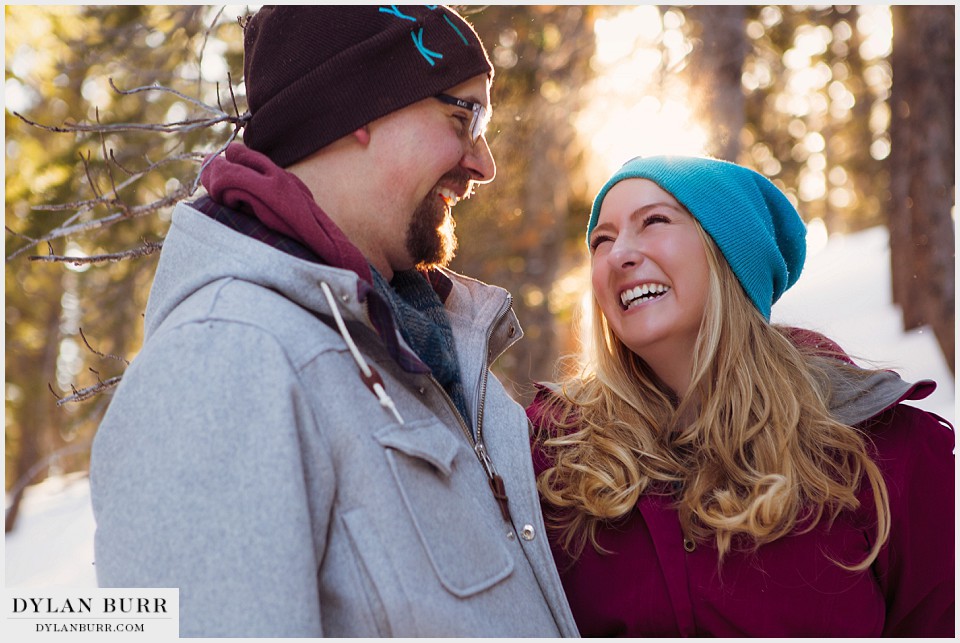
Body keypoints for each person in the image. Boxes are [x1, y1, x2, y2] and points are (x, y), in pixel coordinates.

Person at [90, 6, 578, 638]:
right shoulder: (225, 359)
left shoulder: (403, 343)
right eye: (464, 116)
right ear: (361, 109)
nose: (483, 162)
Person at [528, 155, 954, 637]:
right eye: (601, 240)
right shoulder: (553, 456)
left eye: (654, 221)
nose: (617, 254)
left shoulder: (885, 449)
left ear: (730, 254)